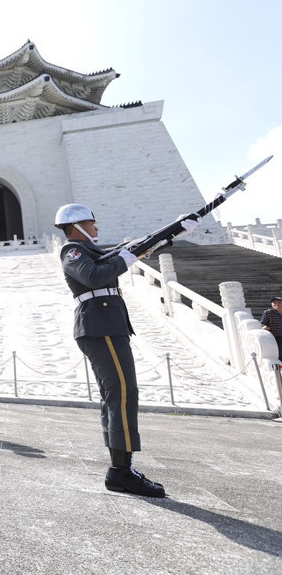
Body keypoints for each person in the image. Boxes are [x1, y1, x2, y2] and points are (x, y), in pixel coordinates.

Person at [55, 203, 197, 498]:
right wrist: (127, 256)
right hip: (101, 326)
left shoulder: (92, 251)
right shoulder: (73, 251)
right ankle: (121, 471)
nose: (96, 229)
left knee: (117, 395)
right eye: (92, 224)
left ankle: (121, 469)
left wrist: (175, 229)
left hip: (107, 325)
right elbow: (93, 277)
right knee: (122, 394)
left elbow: (132, 252)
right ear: (77, 226)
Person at [260, 297, 282, 365]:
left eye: (279, 302)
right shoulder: (268, 313)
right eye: (274, 303)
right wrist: (263, 327)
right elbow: (262, 323)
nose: (277, 304)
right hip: (276, 338)